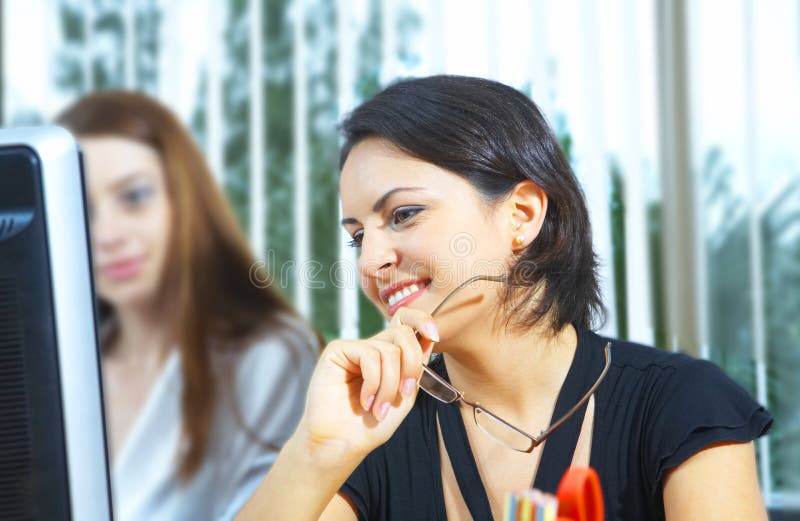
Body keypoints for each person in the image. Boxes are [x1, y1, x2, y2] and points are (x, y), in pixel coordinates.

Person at [236, 76, 772, 521]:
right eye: (358, 236)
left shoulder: (682, 407)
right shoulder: (376, 432)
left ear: (521, 216)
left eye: (403, 214)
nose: (370, 261)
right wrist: (314, 454)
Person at [57, 91, 319, 521]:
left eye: (134, 197)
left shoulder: (267, 358)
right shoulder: (64, 368)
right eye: (82, 210)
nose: (108, 234)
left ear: (184, 201)